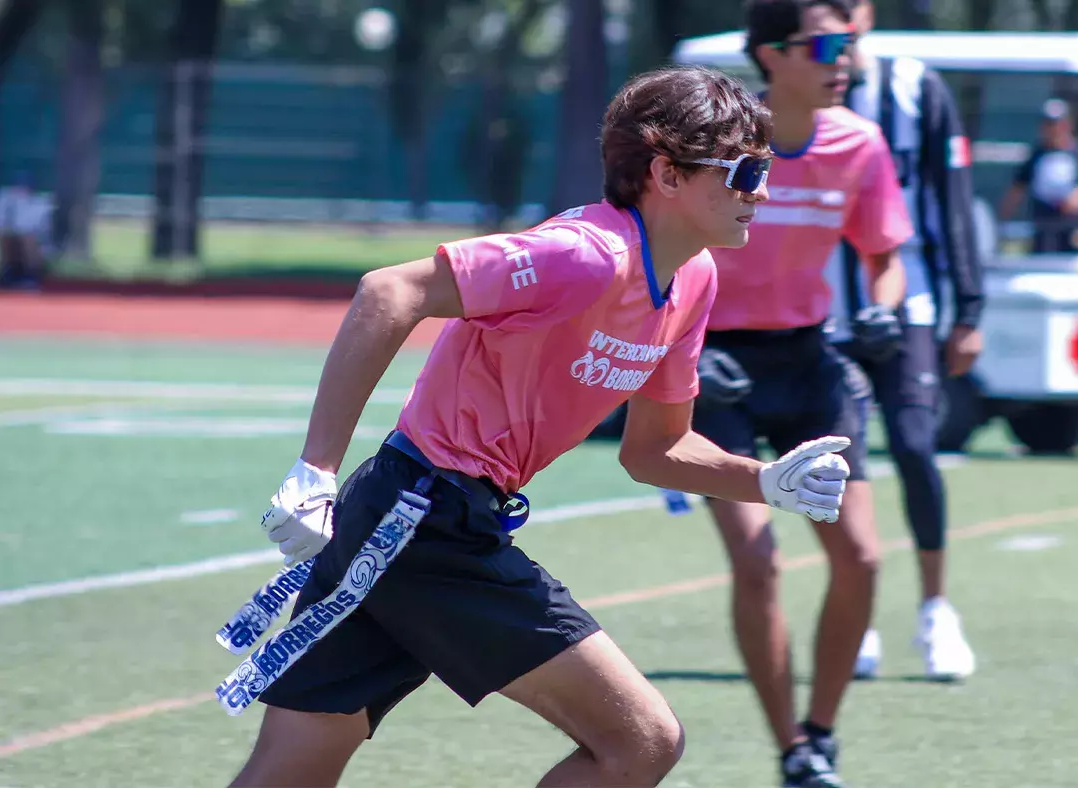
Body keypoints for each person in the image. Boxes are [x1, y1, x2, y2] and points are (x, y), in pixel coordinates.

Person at [227, 65, 858, 788]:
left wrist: (767, 482)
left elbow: (656, 451)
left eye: (766, 169)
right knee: (641, 742)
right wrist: (315, 470)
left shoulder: (694, 277)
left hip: (415, 522)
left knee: (290, 771)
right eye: (745, 171)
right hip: (421, 523)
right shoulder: (586, 256)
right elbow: (389, 290)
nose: (763, 192)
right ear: (667, 174)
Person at [691, 2, 910, 785]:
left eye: (847, 42)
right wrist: (676, 363)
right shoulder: (715, 145)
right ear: (770, 54)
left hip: (810, 365)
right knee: (759, 567)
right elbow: (656, 252)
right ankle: (791, 751)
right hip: (714, 370)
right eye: (824, 43)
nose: (842, 56)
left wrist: (885, 306)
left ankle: (822, 732)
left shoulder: (861, 144)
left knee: (861, 558)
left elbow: (883, 252)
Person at [826, 0, 983, 683]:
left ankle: (935, 609)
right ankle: (854, 613)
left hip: (907, 304)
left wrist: (969, 309)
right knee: (840, 467)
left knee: (917, 447)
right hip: (823, 311)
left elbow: (950, 201)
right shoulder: (786, 97)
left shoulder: (916, 87)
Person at [998, 98, 1078, 253]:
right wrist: (1002, 221)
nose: (1053, 129)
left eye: (1057, 124)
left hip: (1073, 230)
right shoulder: (1036, 155)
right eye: (1048, 124)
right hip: (1042, 227)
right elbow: (1017, 189)